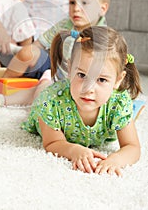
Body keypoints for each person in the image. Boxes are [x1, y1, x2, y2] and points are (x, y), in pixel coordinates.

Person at [21, 26, 142, 176]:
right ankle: (44, 81)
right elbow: (52, 143)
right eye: (82, 75)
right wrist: (74, 150)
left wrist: (116, 159)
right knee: (39, 94)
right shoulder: (51, 101)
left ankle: (46, 80)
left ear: (118, 80)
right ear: (70, 68)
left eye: (101, 79)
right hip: (46, 101)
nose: (88, 88)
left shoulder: (119, 103)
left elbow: (132, 147)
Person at [0, 0, 110, 107]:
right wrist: (24, 52)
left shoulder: (103, 36)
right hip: (54, 68)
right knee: (29, 52)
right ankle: (3, 84)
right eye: (72, 2)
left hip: (76, 80)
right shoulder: (65, 25)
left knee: (42, 88)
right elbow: (39, 44)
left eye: (84, 3)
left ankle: (22, 105)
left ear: (102, 9)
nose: (76, 9)